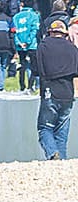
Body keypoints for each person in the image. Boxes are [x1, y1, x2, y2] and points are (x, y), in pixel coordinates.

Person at [34, 15, 78, 160]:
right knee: (62, 133)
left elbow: (37, 69)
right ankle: (62, 163)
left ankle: (53, 154)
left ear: (50, 32)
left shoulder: (43, 46)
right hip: (68, 94)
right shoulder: (72, 48)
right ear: (65, 34)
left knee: (45, 128)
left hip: (50, 91)